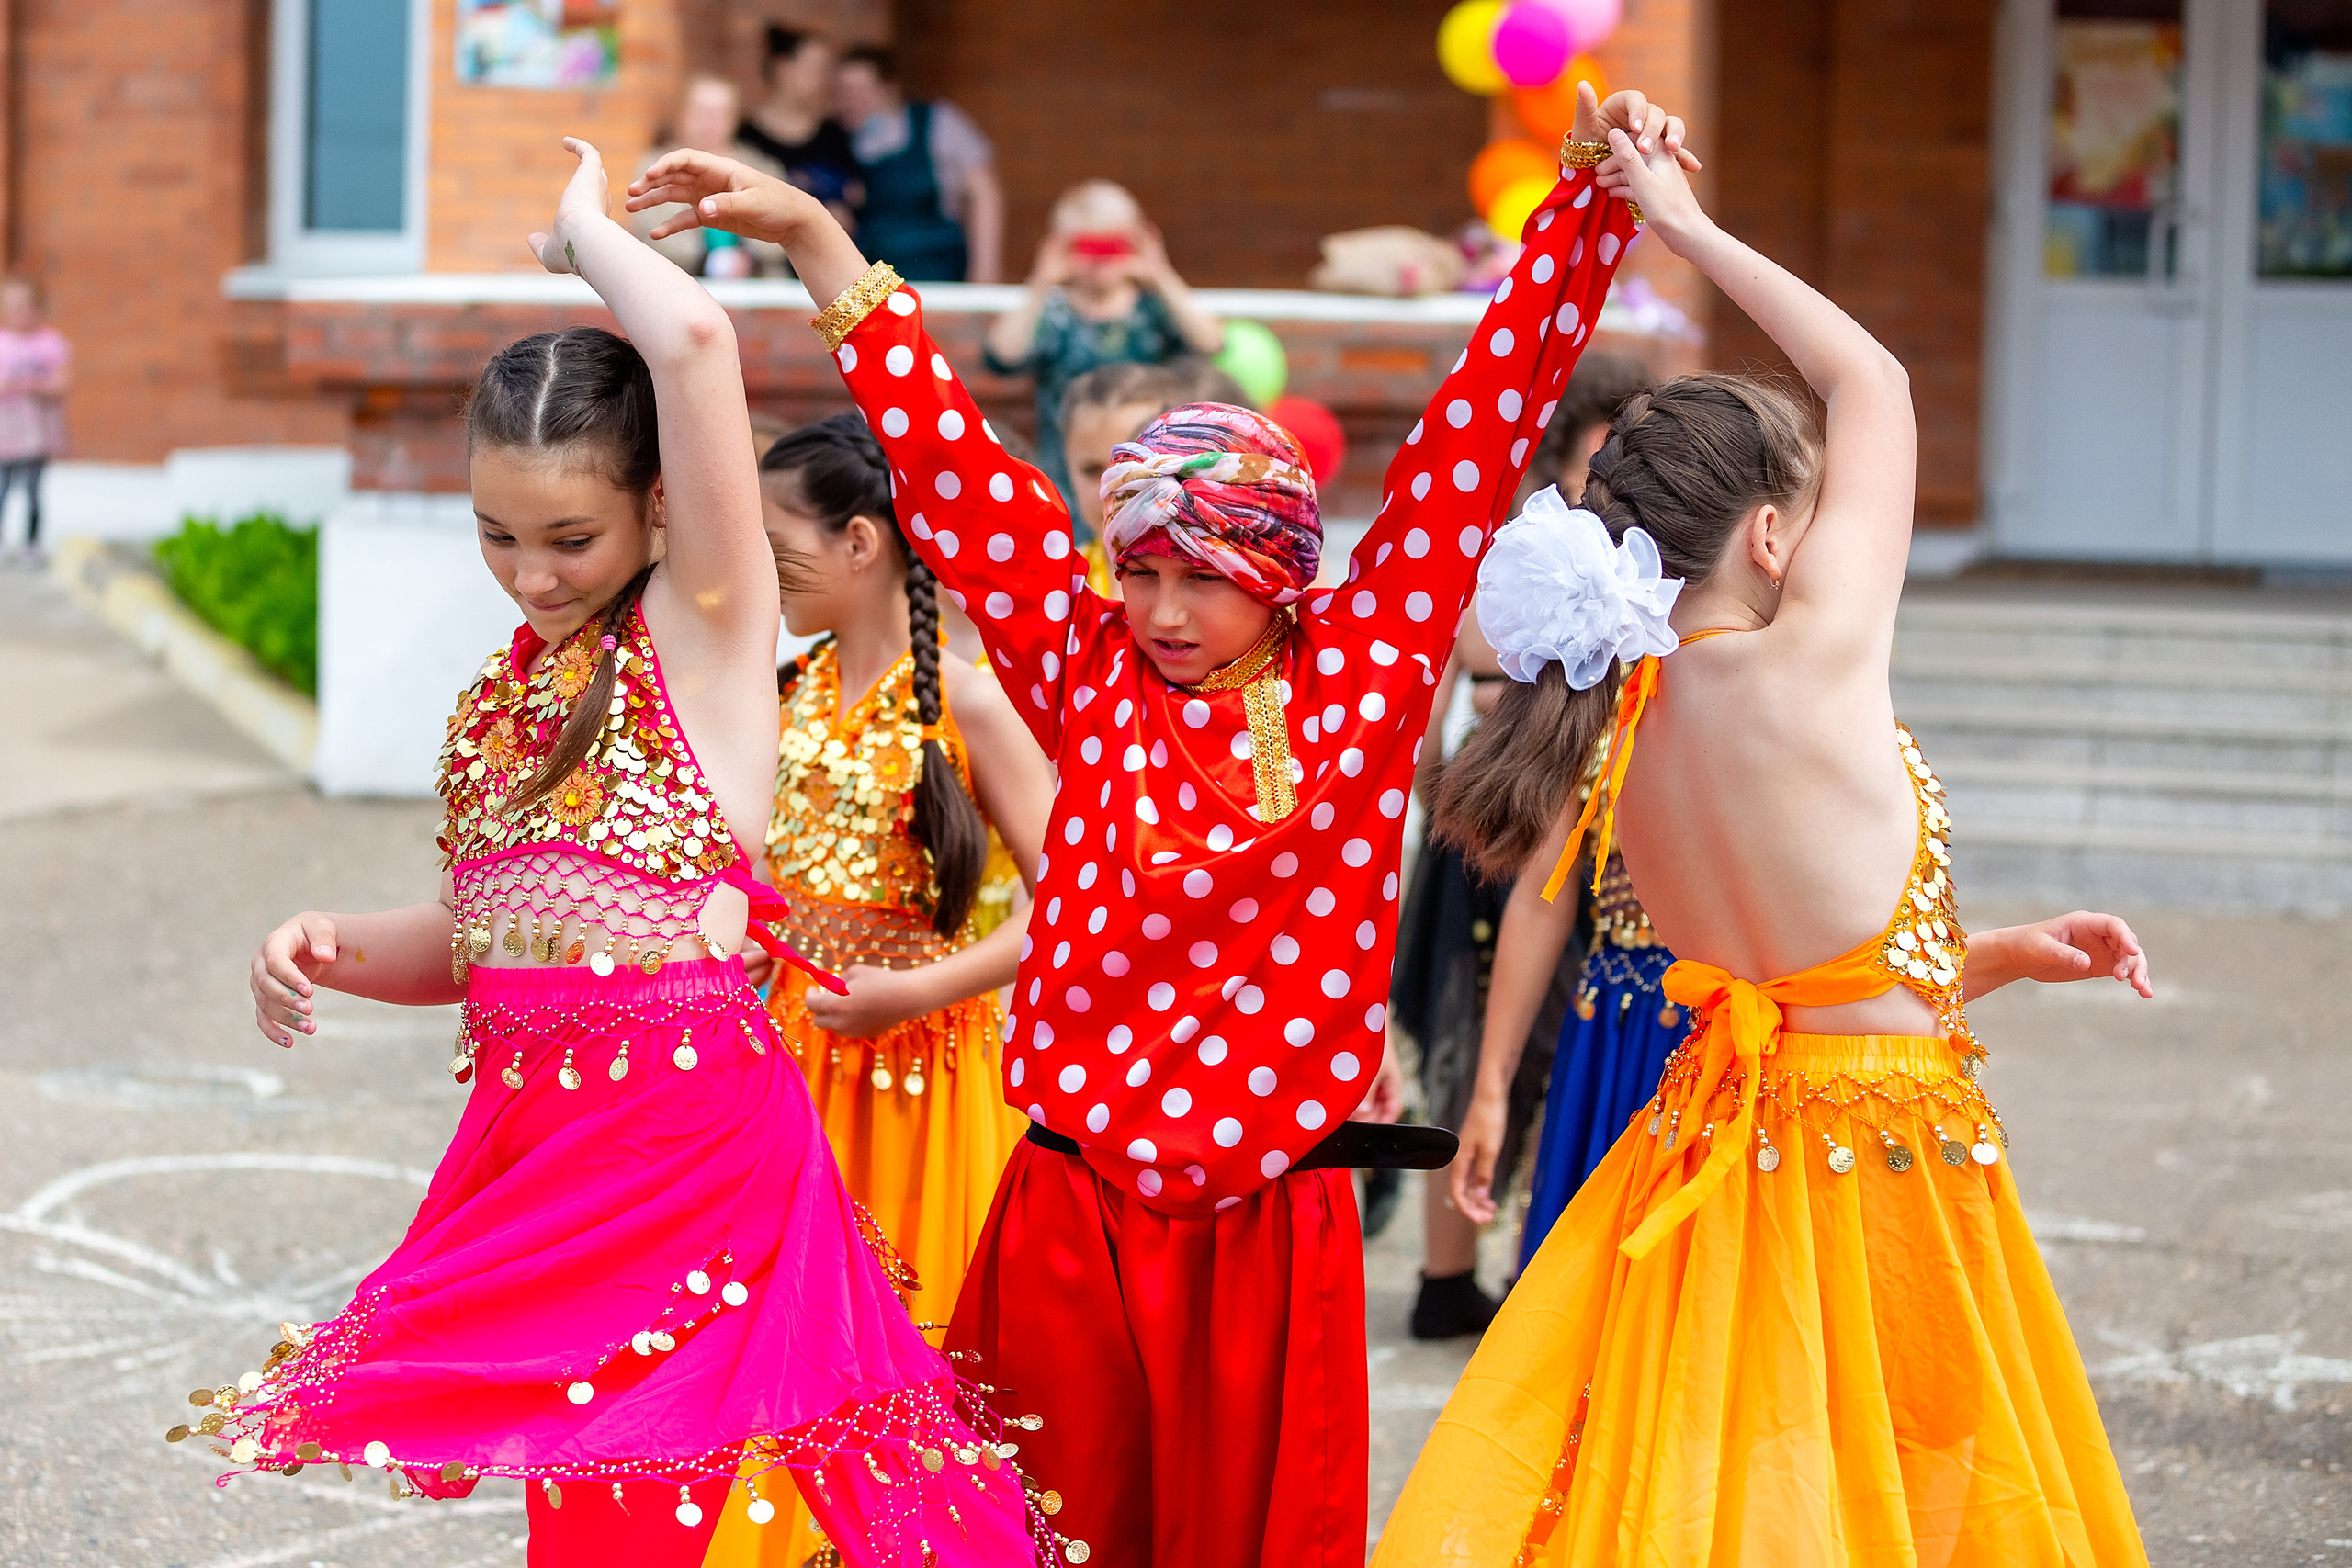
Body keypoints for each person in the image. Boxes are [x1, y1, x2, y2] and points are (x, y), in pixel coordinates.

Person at [625, 77, 1687, 1567]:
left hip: (1273, 1227)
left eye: (1207, 576)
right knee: (1021, 1540)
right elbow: (947, 460)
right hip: (1072, 1210)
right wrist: (814, 237)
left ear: (1283, 573)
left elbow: (1483, 416)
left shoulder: (1366, 667)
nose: (1167, 609)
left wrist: (1583, 201)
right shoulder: (1085, 661)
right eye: (1140, 569)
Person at [200, 139, 1044, 1568]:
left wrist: (583, 233)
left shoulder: (702, 629)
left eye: (568, 536)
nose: (532, 573)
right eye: (496, 534)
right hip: (538, 1141)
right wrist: (329, 940)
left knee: (678, 1509)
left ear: (662, 507)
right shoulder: (507, 692)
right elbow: (491, 942)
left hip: (679, 1139)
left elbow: (697, 340)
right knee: (582, 1509)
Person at [1370, 122, 2154, 1564]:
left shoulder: (1619, 723)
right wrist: (1683, 225)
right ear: (1774, 536)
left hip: (1721, 1146)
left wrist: (1990, 957)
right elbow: (1875, 381)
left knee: (1733, 1497)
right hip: (1876, 1161)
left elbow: (1807, 981)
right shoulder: (1809, 661)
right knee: (1888, 1506)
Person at [702, 413, 1054, 1567]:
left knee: (910, 1344)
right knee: (786, 1353)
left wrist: (917, 990)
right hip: (792, 1073)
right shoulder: (790, 689)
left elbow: (1070, 910)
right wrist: (757, 940)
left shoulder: (969, 702)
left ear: (860, 542)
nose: (759, 573)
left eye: (776, 548)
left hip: (928, 1080)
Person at [1386, 350, 1654, 1325]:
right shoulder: (1525, 558)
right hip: (1501, 828)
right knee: (1473, 1042)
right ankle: (1447, 1273)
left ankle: (1502, 1256)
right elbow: (1444, 692)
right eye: (1605, 458)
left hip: (1592, 843)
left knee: (1553, 1040)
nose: (1622, 483)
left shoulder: (1648, 576)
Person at [982, 179, 1223, 514]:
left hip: (1149, 472)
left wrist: (1160, 273)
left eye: (1112, 247)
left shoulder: (1152, 309)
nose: (1100, 262)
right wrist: (1041, 280)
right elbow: (1002, 356)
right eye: (1087, 248)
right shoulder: (1053, 314)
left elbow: (1211, 342)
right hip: (1066, 477)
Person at [1056, 358, 1249, 594]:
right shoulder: (1060, 583)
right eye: (1092, 470)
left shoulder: (1234, 577)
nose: (1111, 489)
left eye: (1133, 467)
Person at [835, 46, 1002, 285]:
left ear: (888, 88)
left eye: (860, 91)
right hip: (874, 275)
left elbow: (984, 193)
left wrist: (985, 270)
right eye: (843, 92)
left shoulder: (937, 122)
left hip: (938, 267)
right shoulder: (836, 141)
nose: (851, 101)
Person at [630, 74, 788, 278]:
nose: (710, 122)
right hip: (679, 280)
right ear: (682, 114)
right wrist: (708, 260)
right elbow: (649, 233)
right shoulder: (656, 166)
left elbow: (784, 230)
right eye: (702, 112)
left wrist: (747, 256)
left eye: (719, 113)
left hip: (760, 285)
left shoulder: (762, 167)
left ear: (734, 119)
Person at [738, 27, 859, 226]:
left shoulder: (835, 134)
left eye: (826, 70)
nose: (824, 80)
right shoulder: (746, 138)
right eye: (814, 69)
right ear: (783, 69)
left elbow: (857, 196)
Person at [0, 276, 69, 566]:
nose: (19, 312)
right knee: (1, 489)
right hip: (5, 432)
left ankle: (32, 543)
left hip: (36, 432)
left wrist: (35, 387)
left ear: (39, 308)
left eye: (25, 305)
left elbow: (63, 384)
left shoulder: (50, 343)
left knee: (32, 490)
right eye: (13, 305)